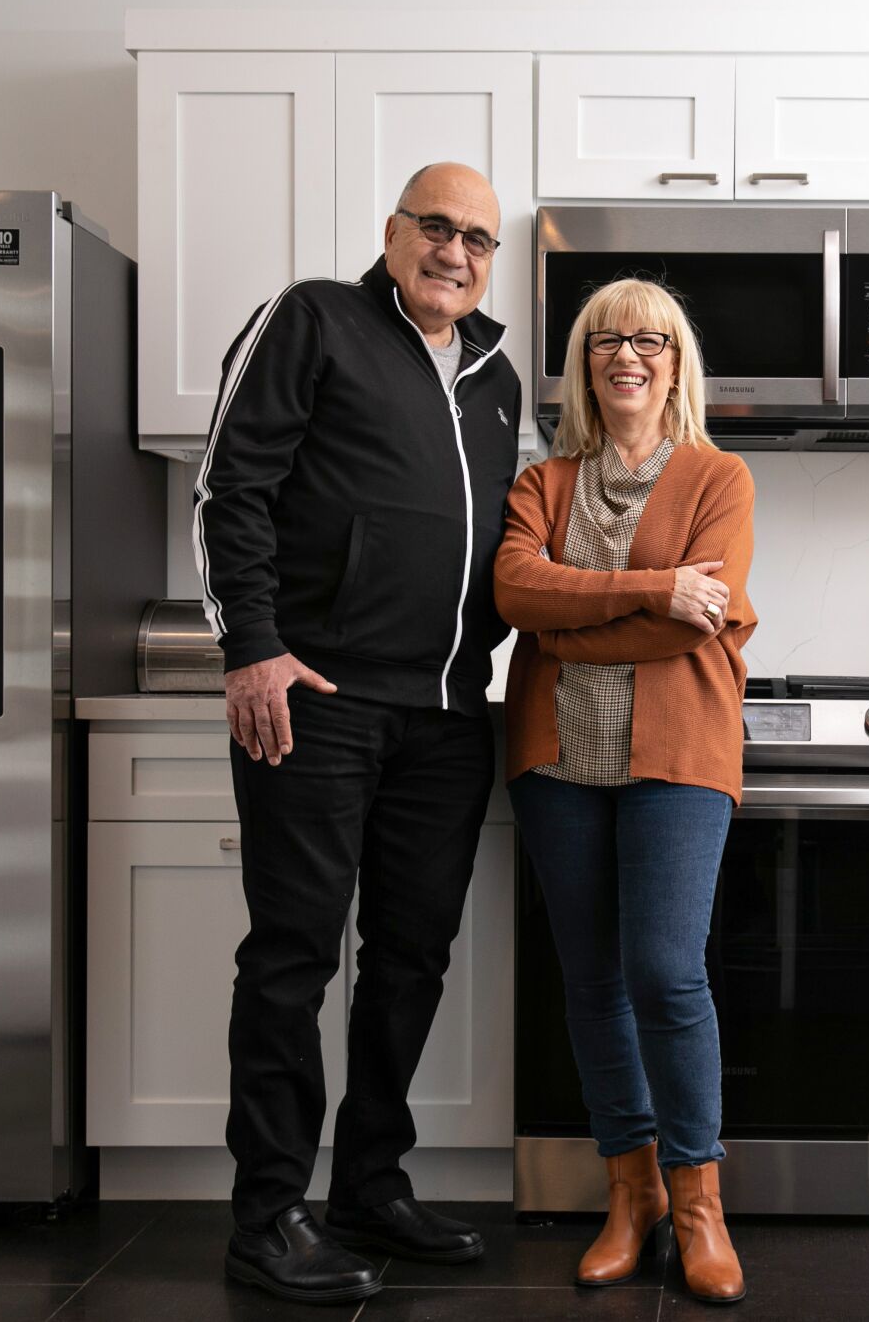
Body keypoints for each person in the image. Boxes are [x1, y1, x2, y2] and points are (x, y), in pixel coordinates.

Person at [193, 161, 518, 1306]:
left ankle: (369, 1182)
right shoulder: (314, 317)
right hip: (315, 697)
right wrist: (250, 646)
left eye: (478, 238)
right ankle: (266, 1212)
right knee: (293, 956)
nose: (456, 252)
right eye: (437, 227)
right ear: (391, 232)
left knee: (411, 958)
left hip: (445, 712)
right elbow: (231, 488)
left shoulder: (495, 371)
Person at [496, 278, 755, 1306]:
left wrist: (565, 622)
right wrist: (650, 587)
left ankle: (700, 1205)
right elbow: (514, 591)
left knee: (663, 971)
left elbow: (701, 621)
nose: (627, 355)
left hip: (676, 756)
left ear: (675, 362)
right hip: (558, 761)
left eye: (650, 340)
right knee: (591, 980)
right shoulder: (542, 483)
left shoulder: (717, 477)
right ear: (585, 362)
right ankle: (630, 1191)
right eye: (607, 339)